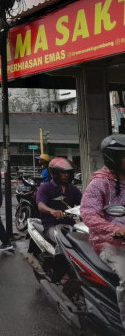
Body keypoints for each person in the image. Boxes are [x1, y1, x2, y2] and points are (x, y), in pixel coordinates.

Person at [81, 134, 125, 327]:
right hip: (110, 242)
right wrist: (115, 229)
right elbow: (89, 215)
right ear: (113, 159)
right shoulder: (99, 183)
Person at [35, 157, 82, 231]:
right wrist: (52, 211)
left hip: (71, 224)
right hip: (51, 225)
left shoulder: (73, 189)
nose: (66, 175)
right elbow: (40, 206)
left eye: (68, 172)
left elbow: (83, 204)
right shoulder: (45, 188)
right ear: (55, 173)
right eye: (63, 172)